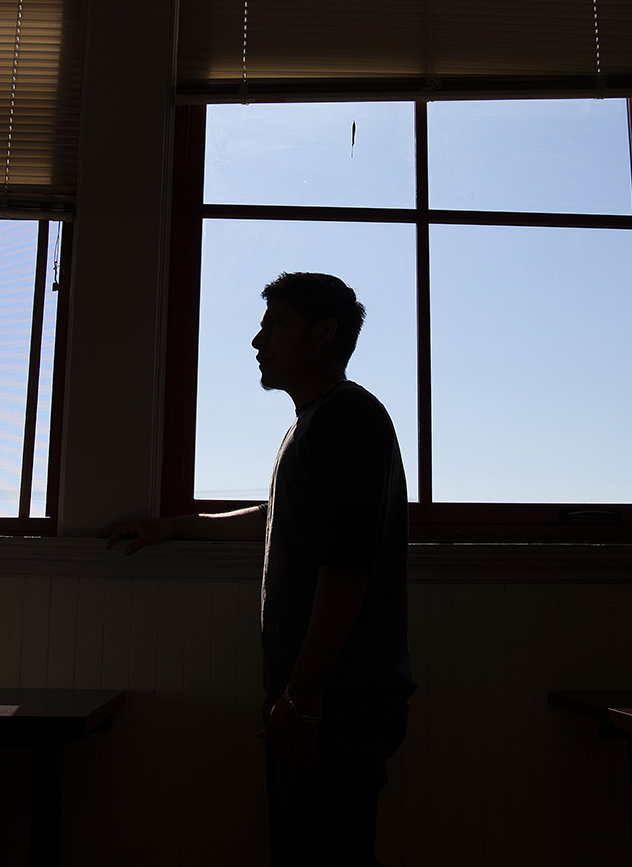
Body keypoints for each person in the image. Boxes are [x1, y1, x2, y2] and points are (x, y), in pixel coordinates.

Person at [103, 272, 414, 866]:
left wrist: (302, 696)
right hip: (323, 696)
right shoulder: (315, 424)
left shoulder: (349, 419)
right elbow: (279, 519)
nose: (256, 340)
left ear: (323, 333)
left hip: (337, 702)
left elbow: (347, 568)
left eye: (273, 325)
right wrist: (175, 526)